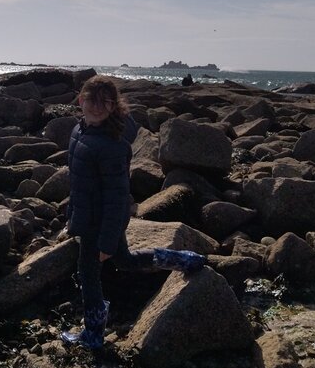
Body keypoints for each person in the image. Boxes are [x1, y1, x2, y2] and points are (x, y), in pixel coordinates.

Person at [61, 75, 207, 349]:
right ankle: (182, 259)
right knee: (125, 261)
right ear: (80, 100)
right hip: (88, 216)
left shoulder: (113, 145)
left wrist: (106, 241)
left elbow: (117, 199)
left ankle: (93, 334)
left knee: (88, 274)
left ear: (113, 106)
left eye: (104, 102)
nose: (96, 107)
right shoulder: (79, 131)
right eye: (91, 100)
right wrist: (71, 215)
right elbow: (78, 183)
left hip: (101, 223)